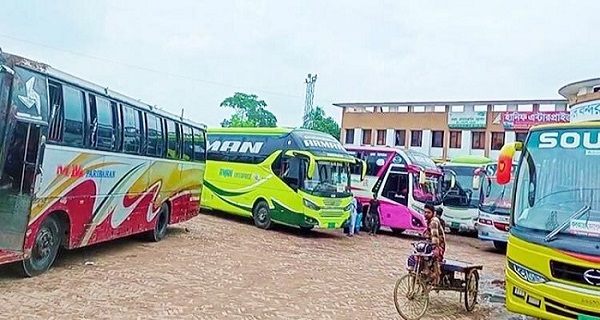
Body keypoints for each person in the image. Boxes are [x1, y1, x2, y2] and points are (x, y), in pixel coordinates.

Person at [423, 204, 446, 285]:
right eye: (425, 212)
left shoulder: (434, 221)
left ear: (433, 213)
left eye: (428, 212)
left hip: (438, 246)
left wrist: (435, 247)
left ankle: (433, 274)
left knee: (426, 253)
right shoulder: (429, 221)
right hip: (431, 244)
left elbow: (435, 236)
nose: (426, 214)